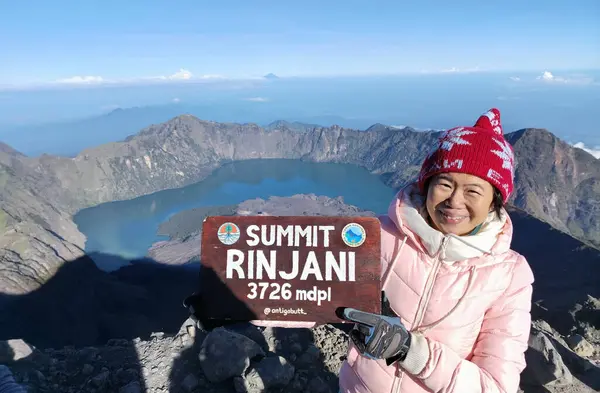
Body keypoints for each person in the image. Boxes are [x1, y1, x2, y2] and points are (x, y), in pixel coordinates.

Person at [337, 108, 535, 393]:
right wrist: (255, 301)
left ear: (495, 201)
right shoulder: (376, 235)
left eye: (473, 191)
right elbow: (308, 296)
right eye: (444, 183)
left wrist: (410, 350)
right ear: (426, 184)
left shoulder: (510, 276)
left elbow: (496, 387)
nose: (454, 201)